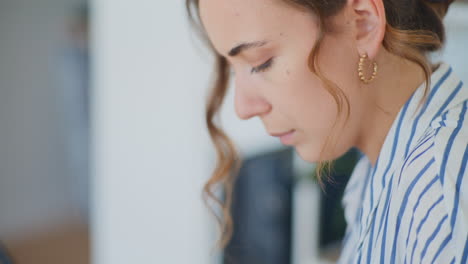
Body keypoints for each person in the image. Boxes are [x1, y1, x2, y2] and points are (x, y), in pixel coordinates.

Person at [185, 0, 467, 262]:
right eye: (233, 70)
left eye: (261, 63)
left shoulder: (440, 182)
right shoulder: (382, 174)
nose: (243, 107)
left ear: (363, 23)